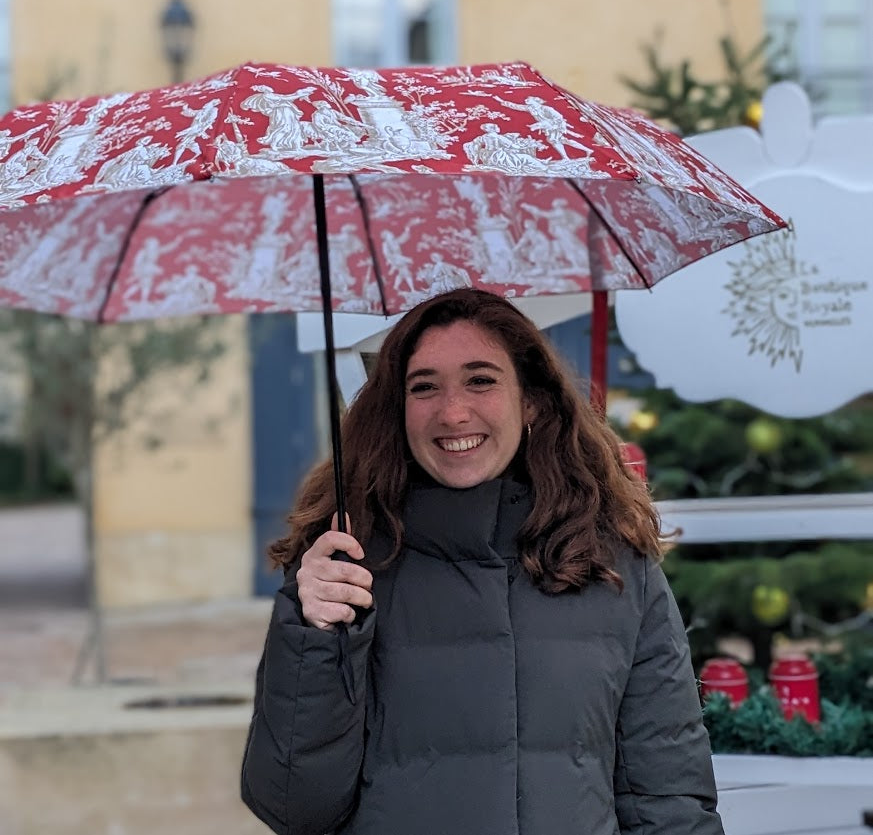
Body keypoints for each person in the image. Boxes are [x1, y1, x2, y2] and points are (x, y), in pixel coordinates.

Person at [241, 287, 725, 835]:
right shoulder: (346, 567)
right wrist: (315, 638)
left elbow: (670, 801)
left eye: (481, 380)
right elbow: (292, 808)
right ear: (397, 411)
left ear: (532, 403)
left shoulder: (613, 567)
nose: (452, 412)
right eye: (424, 387)